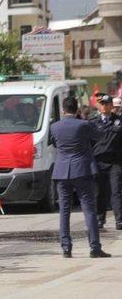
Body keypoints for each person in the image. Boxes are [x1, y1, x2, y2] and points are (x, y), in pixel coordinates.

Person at [51, 97, 110, 258]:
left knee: (64, 210)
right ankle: (94, 247)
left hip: (62, 171)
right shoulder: (84, 124)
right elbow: (99, 136)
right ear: (77, 110)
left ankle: (66, 248)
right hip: (82, 170)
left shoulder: (55, 126)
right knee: (89, 209)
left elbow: (55, 144)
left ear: (63, 110)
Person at [90, 95, 122, 230]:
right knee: (99, 192)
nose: (103, 106)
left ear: (111, 106)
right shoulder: (92, 122)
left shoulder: (119, 121)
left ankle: (119, 220)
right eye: (101, 104)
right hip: (98, 161)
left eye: (106, 103)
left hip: (115, 161)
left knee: (116, 191)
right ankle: (99, 219)